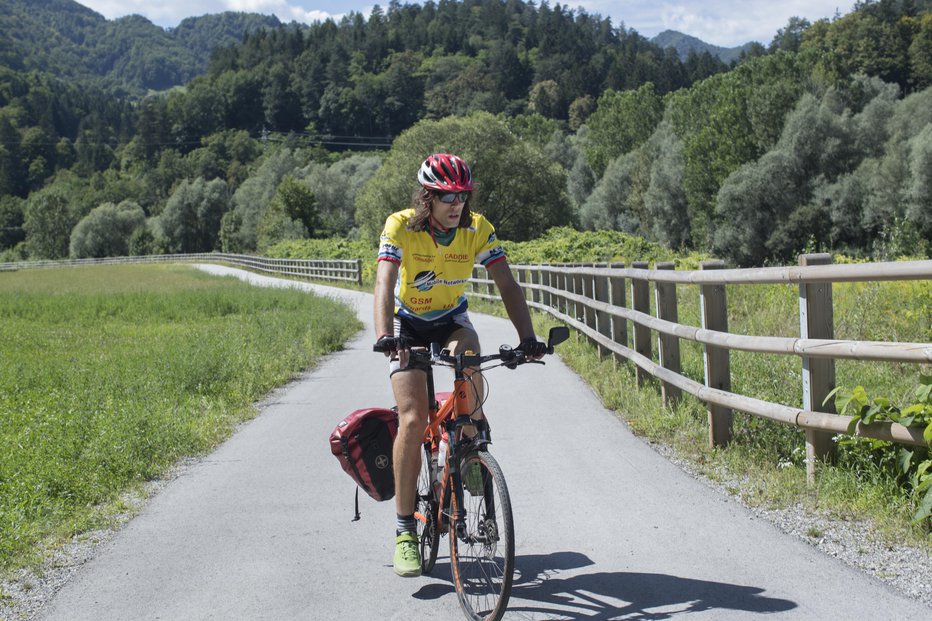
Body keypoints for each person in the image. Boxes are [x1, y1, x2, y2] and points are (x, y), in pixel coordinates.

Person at [373, 153, 546, 577]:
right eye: (447, 196)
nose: (456, 204)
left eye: (462, 196)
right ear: (427, 197)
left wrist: (527, 339)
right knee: (413, 420)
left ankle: (469, 453)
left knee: (469, 362)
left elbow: (506, 281)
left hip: (451, 320)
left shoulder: (476, 228)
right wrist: (384, 337)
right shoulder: (400, 226)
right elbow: (384, 280)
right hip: (407, 324)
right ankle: (404, 533)